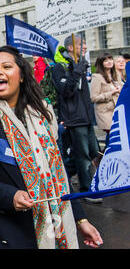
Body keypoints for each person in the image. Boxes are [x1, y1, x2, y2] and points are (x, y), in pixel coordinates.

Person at [0, 45, 103, 249]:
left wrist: (80, 219)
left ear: (22, 76)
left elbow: (57, 172)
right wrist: (10, 195)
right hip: (2, 228)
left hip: (53, 224)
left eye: (6, 66)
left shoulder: (42, 116)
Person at [51, 34, 101, 202]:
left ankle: (61, 174)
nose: (85, 47)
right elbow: (66, 91)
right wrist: (77, 71)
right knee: (84, 156)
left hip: (86, 117)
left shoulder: (81, 65)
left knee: (93, 152)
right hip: (74, 119)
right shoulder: (60, 67)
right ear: (71, 47)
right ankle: (87, 190)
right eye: (82, 44)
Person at [90, 53, 122, 143]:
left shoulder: (116, 75)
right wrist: (111, 93)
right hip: (105, 113)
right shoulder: (97, 77)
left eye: (110, 59)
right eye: (106, 60)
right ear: (101, 63)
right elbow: (93, 98)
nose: (109, 62)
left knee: (117, 137)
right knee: (112, 136)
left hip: (116, 110)